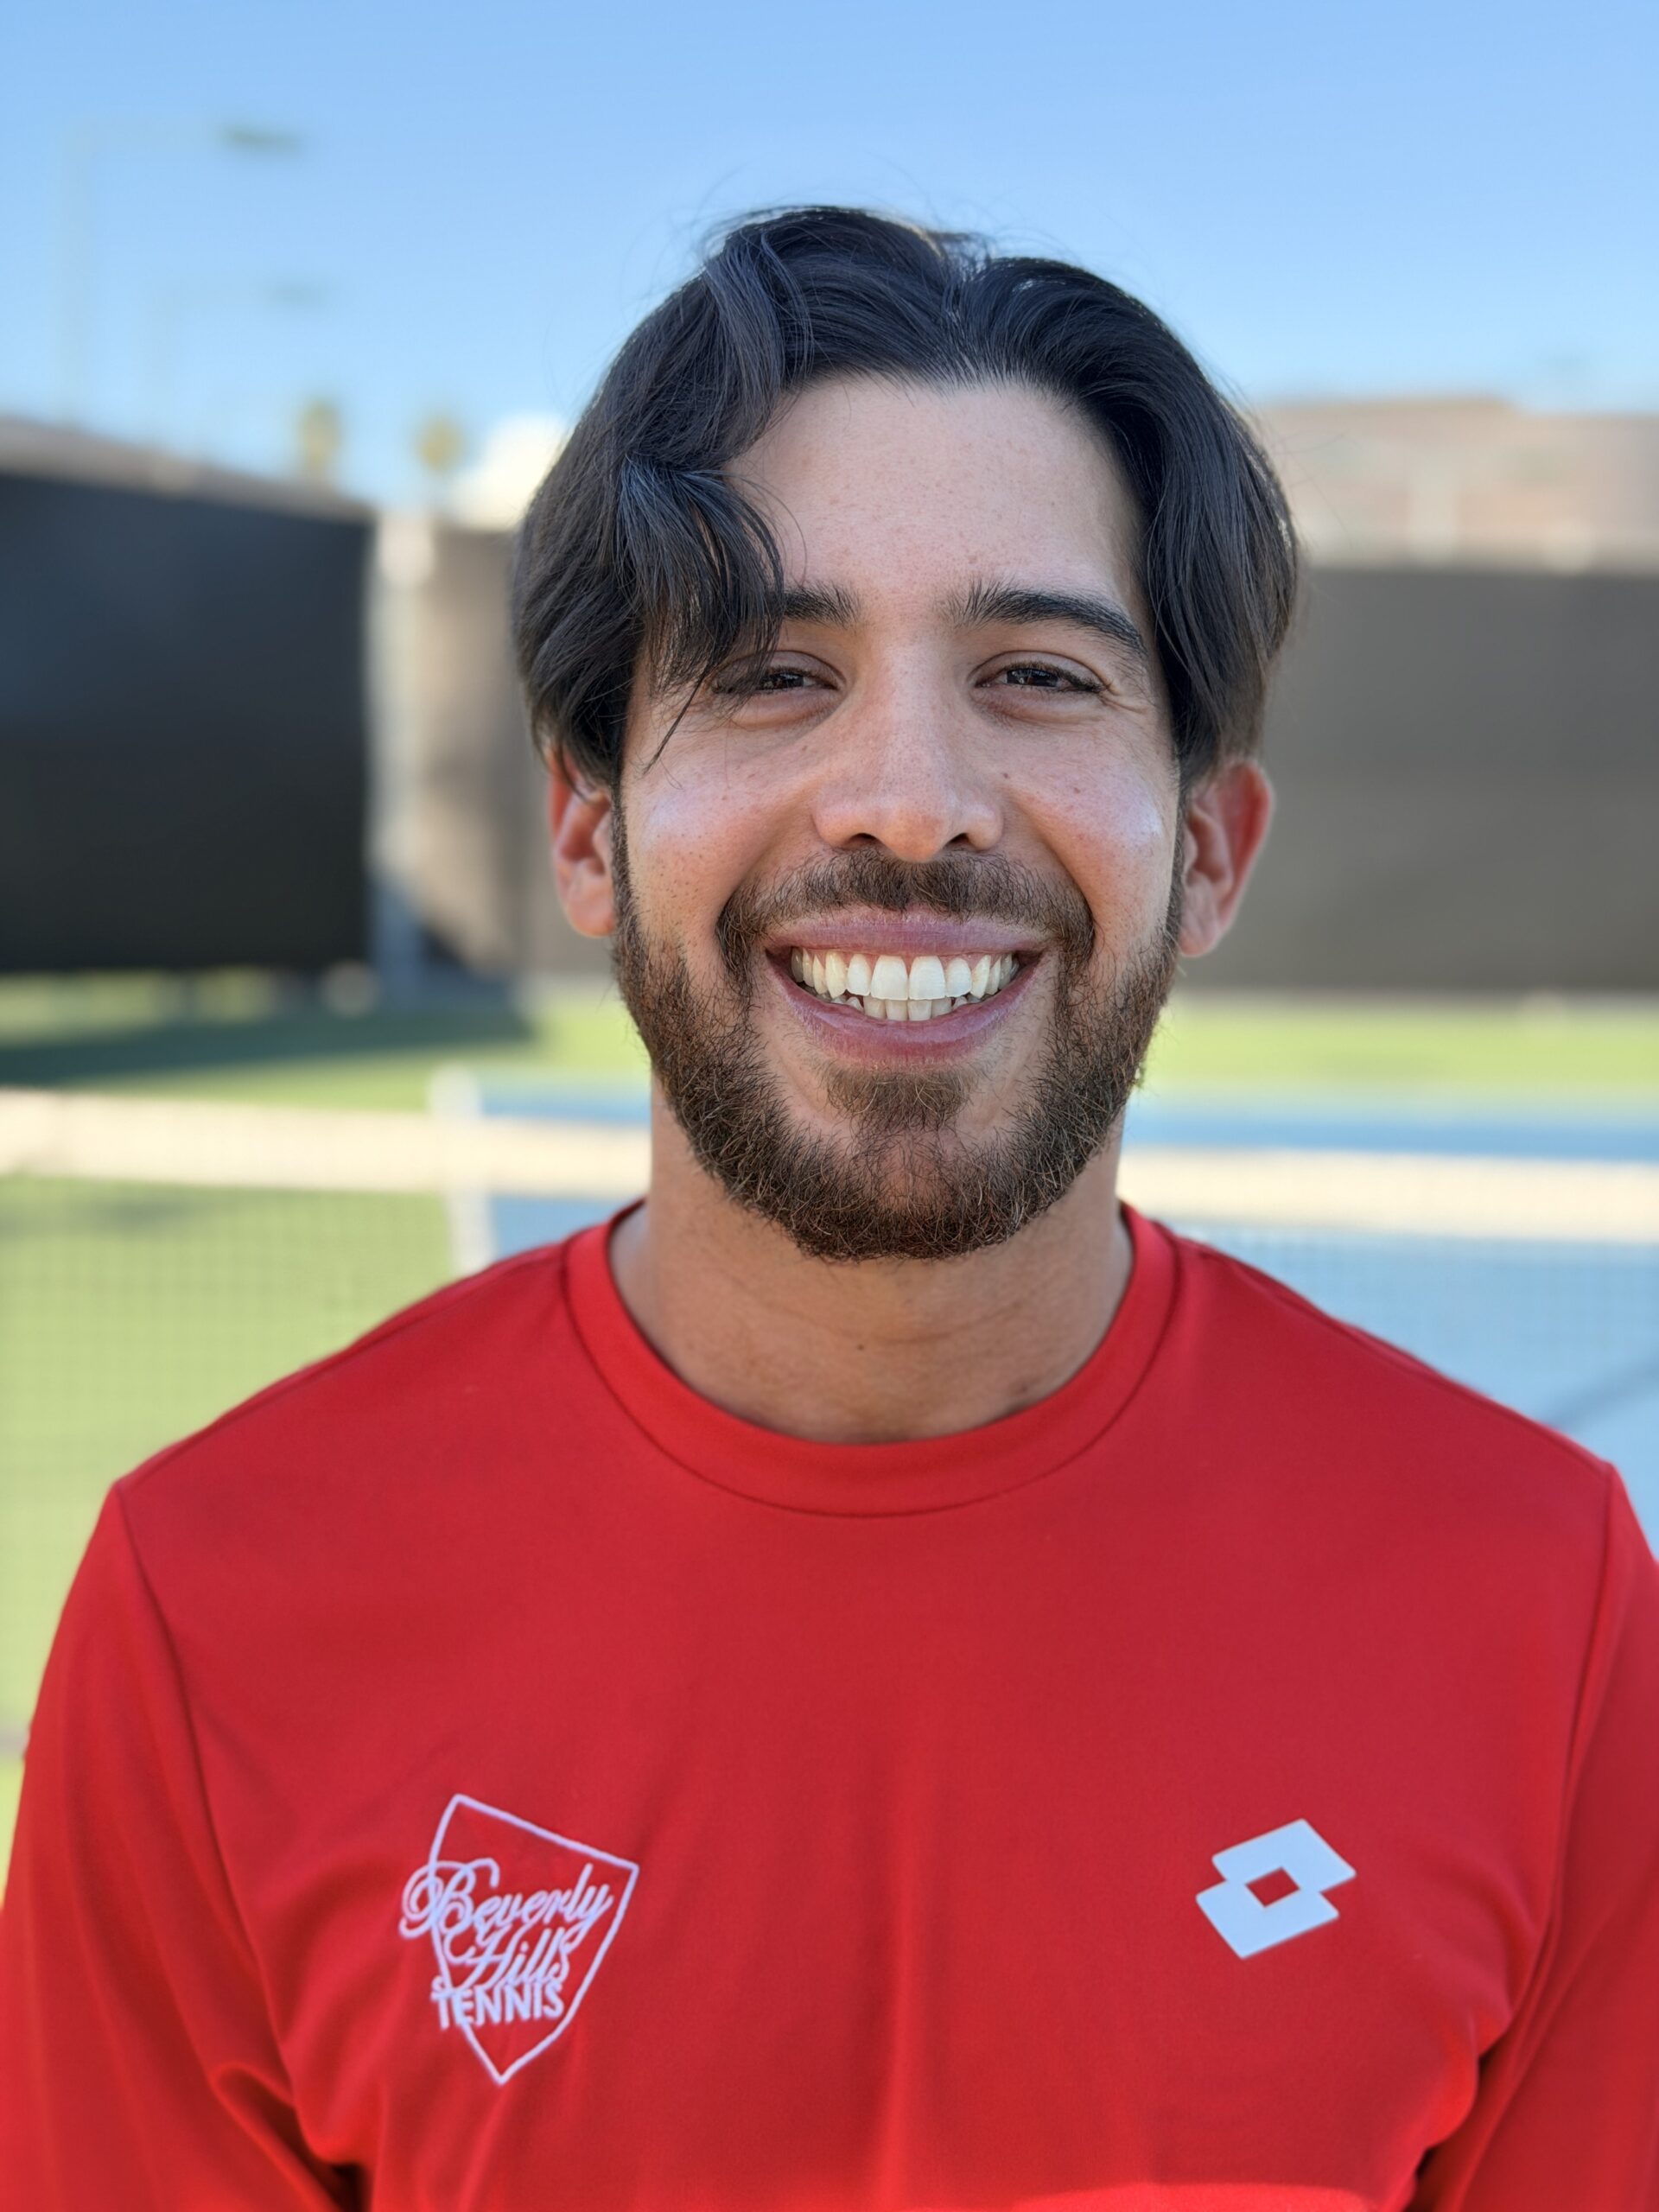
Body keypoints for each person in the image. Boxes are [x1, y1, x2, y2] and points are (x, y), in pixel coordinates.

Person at [3, 207, 1656, 2212]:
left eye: (1038, 672)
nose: (908, 795)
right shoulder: (206, 1614)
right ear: (589, 826)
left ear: (1210, 852)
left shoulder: (1549, 1607)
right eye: (776, 672)